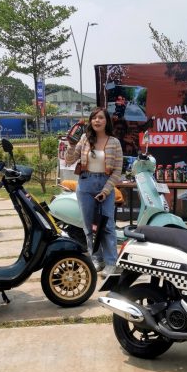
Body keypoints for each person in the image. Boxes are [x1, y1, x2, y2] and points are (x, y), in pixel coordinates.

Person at [64, 107, 123, 277]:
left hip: (106, 185)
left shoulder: (114, 142)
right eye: (94, 118)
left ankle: (111, 263)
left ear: (106, 121)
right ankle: (97, 259)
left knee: (107, 226)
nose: (97, 120)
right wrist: (71, 145)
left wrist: (106, 190)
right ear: (91, 121)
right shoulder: (84, 138)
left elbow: (117, 170)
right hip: (85, 185)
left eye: (101, 118)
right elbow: (69, 160)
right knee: (89, 227)